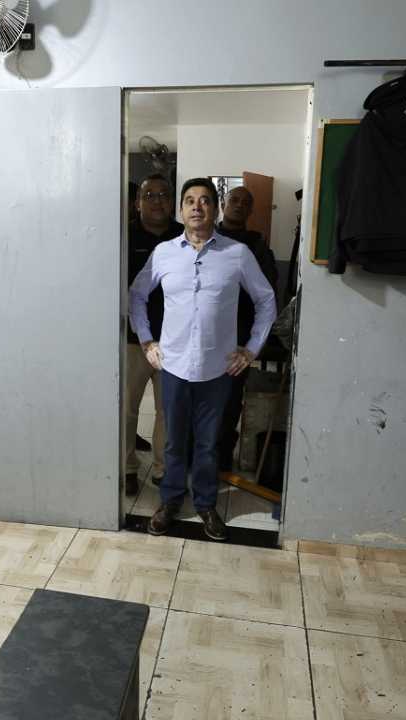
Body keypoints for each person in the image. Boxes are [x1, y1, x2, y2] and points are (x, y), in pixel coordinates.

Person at [130, 178, 276, 540]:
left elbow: (266, 300)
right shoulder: (164, 253)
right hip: (174, 366)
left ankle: (207, 504)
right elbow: (137, 295)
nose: (197, 206)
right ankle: (170, 501)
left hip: (218, 369)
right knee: (174, 441)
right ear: (182, 210)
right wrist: (146, 340)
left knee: (209, 443)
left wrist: (251, 349)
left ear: (216, 208)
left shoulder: (237, 254)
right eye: (190, 200)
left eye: (205, 200)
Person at [124, 174, 183, 496]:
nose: (157, 200)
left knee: (168, 411)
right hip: (132, 341)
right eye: (149, 195)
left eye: (163, 195)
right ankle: (127, 468)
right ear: (138, 203)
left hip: (174, 342)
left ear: (171, 202)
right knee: (127, 408)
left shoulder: (184, 236)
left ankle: (163, 469)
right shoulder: (123, 236)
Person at [213, 186, 278, 473]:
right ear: (223, 203)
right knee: (198, 395)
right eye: (234, 200)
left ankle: (221, 456)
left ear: (251, 210)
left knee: (229, 398)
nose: (238, 205)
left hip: (238, 334)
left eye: (245, 203)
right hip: (205, 332)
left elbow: (266, 294)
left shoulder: (257, 246)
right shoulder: (207, 237)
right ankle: (196, 452)